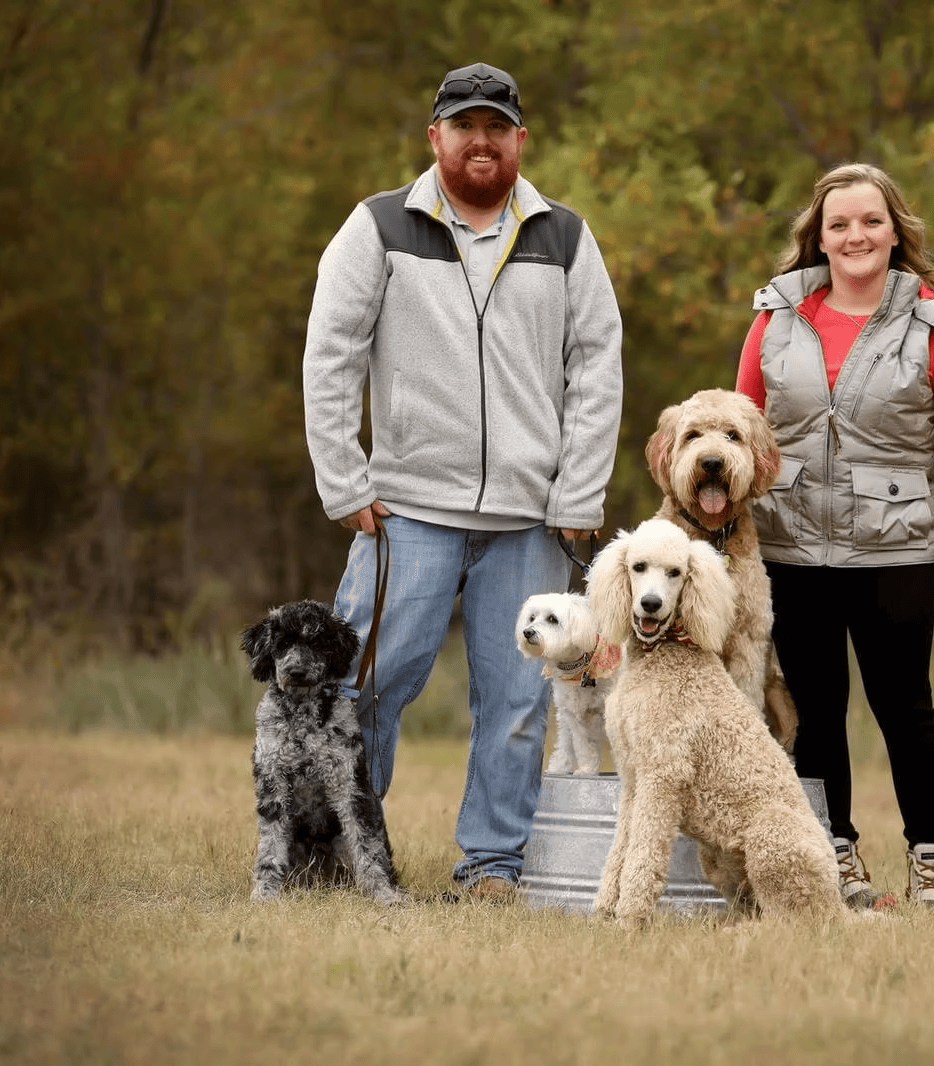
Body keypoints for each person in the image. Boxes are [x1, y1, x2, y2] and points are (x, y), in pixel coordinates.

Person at [302, 62, 624, 904]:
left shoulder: (565, 235)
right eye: (463, 125)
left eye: (496, 126)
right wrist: (344, 479)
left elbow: (596, 368)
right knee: (367, 680)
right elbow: (330, 353)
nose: (479, 140)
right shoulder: (376, 227)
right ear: (435, 136)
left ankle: (492, 867)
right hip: (403, 508)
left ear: (520, 139)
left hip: (531, 518)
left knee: (519, 698)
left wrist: (579, 493)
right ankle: (337, 851)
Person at [734, 162, 934, 909]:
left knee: (903, 703)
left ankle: (931, 859)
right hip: (790, 546)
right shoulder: (776, 316)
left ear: (895, 232)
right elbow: (738, 434)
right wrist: (711, 542)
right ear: (818, 239)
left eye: (870, 221)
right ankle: (833, 856)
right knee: (812, 709)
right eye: (839, 224)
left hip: (896, 550)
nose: (855, 235)